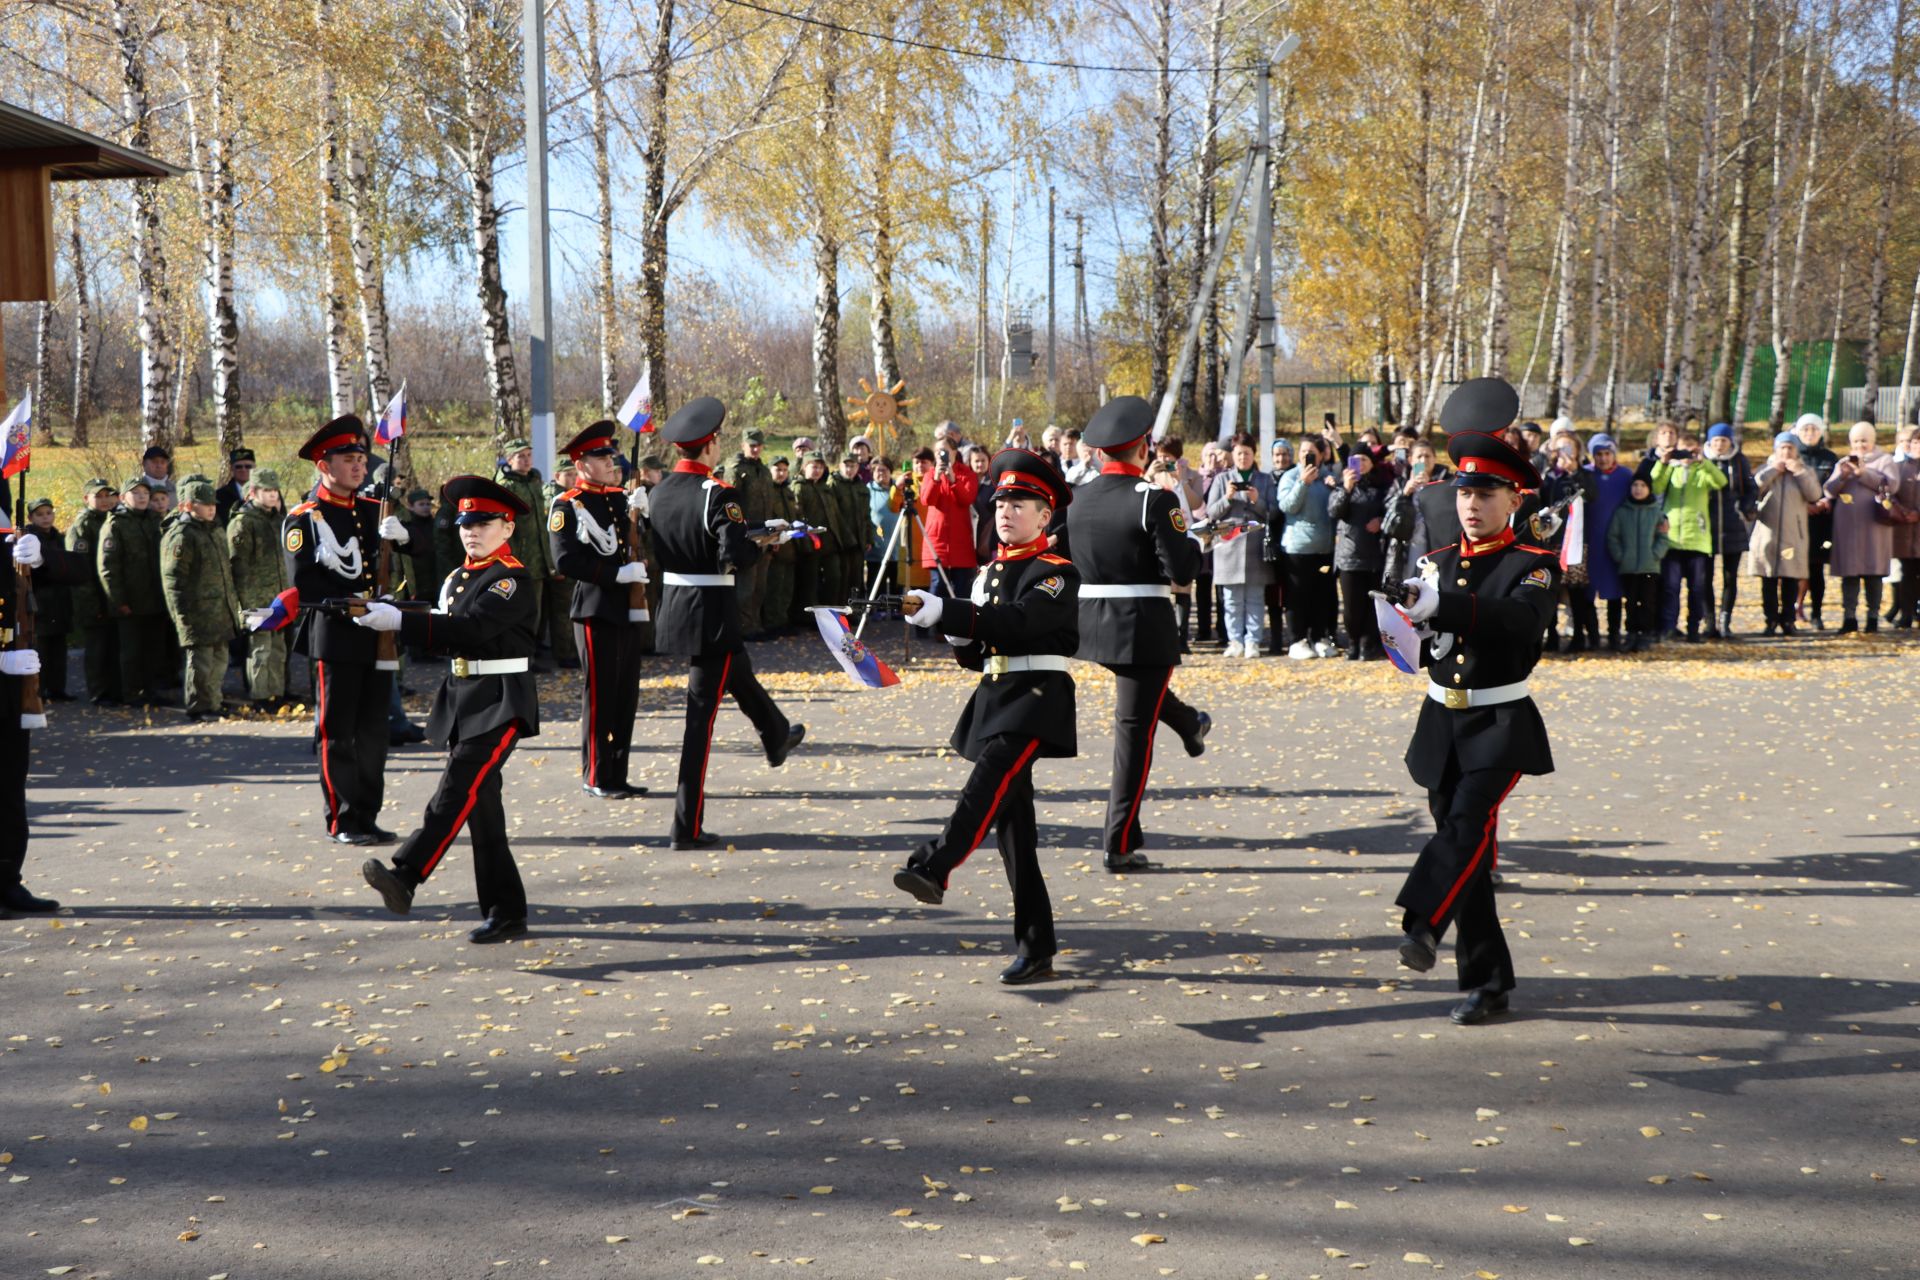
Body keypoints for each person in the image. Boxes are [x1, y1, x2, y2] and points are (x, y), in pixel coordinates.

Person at [1391, 387, 1559, 1025]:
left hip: (1499, 724)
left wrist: (1444, 611)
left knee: (1464, 828)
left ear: (1515, 500)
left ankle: (1421, 922)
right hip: (1441, 721)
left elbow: (1518, 623)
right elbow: (1417, 648)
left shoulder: (1533, 565)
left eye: (1486, 494)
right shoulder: (1434, 561)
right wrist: (1407, 631)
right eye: (1464, 493)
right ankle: (1490, 983)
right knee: (1464, 857)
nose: (1471, 505)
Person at [892, 448, 1079, 985]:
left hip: (1035, 700)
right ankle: (1036, 944)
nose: (1005, 511)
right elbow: (979, 652)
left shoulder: (1057, 572)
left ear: (1045, 516)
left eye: (1020, 503)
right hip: (998, 696)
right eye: (1000, 503)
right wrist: (955, 633)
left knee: (987, 782)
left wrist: (953, 612)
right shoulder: (990, 572)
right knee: (1015, 830)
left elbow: (1020, 622)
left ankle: (934, 864)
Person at [356, 475, 542, 945]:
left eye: (482, 523)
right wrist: (391, 608)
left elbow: (471, 629)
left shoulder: (511, 579)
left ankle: (407, 874)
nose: (471, 532)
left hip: (500, 700)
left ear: (507, 528)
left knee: (457, 787)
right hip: (463, 698)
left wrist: (402, 621)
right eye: (465, 524)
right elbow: (441, 616)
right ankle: (507, 912)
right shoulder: (461, 576)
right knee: (482, 810)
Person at [653, 397, 806, 850]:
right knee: (698, 726)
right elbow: (731, 554)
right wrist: (762, 542)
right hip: (712, 614)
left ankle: (776, 733)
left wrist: (749, 529)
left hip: (679, 606)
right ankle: (686, 825)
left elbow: (689, 539)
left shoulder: (661, 491)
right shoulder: (718, 493)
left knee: (739, 672)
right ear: (711, 445)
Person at [1067, 397, 1211, 872]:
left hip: (1091, 625)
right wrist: (1196, 541)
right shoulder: (1154, 498)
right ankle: (1118, 841)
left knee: (1143, 700)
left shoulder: (1078, 498)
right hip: (1141, 628)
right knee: (1134, 734)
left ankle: (1190, 723)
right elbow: (1181, 571)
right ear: (1142, 447)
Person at [285, 414, 404, 845]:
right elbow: (306, 585)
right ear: (323, 466)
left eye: (361, 458)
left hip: (378, 636)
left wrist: (407, 538)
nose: (359, 467)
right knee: (337, 732)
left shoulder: (377, 511)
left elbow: (418, 555)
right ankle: (342, 819)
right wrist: (361, 604)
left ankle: (367, 815)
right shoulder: (305, 518)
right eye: (349, 459)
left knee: (374, 732)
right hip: (336, 637)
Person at [548, 420, 651, 800]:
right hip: (595, 608)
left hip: (629, 608)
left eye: (611, 454)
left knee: (626, 696)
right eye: (601, 456)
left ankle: (617, 773)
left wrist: (645, 515)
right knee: (600, 695)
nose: (611, 461)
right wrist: (615, 574)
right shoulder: (568, 504)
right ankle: (595, 773)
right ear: (581, 463)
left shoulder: (621, 498)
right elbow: (565, 561)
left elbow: (638, 547)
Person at [0, 515, 80, 916]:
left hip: (11, 690)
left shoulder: (5, 534)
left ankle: (7, 882)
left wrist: (41, 559)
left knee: (10, 790)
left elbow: (78, 571)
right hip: (6, 669)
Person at [160, 481, 241, 721]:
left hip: (219, 609)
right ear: (186, 506)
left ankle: (213, 702)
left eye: (212, 504)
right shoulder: (183, 535)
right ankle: (199, 706)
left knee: (219, 660)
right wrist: (182, 614)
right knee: (201, 662)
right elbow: (174, 578)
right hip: (196, 611)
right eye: (204, 504)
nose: (211, 509)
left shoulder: (215, 529)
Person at [97, 476, 172, 705]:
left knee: (154, 650)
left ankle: (151, 691)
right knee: (131, 652)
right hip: (131, 600)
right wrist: (118, 600)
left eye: (145, 494)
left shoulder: (155, 521)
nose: (141, 497)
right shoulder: (116, 524)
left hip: (155, 599)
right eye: (136, 493)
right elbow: (108, 567)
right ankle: (131, 693)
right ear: (123, 497)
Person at [494, 438, 567, 669]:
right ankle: (524, 659)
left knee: (539, 613)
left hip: (540, 559)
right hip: (521, 560)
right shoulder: (506, 486)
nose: (526, 460)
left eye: (528, 455)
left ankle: (533, 654)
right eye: (520, 456)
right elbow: (504, 528)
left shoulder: (534, 480)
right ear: (509, 459)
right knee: (524, 613)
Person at [1649, 433, 1726, 642]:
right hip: (1672, 539)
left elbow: (1720, 481)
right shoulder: (1671, 470)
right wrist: (1663, 463)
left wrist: (1703, 462)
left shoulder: (1701, 472)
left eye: (1690, 450)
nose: (1686, 454)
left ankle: (1694, 629)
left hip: (1697, 540)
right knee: (1670, 588)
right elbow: (1655, 485)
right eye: (1683, 449)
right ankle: (1669, 627)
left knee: (1697, 589)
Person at [1206, 433, 1277, 658]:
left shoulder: (1264, 480)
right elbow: (1211, 512)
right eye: (1239, 454)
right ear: (1232, 455)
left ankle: (1253, 641)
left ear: (1253, 455)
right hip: (1228, 544)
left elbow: (1274, 512)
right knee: (1231, 598)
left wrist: (1257, 500)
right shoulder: (1221, 479)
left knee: (1255, 596)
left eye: (1247, 453)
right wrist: (1227, 497)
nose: (1243, 458)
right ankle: (1234, 640)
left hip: (1256, 544)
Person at [1824, 421, 1898, 634]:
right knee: (1850, 574)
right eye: (1856, 441)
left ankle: (1872, 617)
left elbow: (1891, 486)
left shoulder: (1885, 461)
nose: (1860, 445)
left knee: (1873, 574)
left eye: (1864, 440)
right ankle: (1849, 617)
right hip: (1847, 528)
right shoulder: (1843, 463)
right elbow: (1828, 491)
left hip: (1875, 527)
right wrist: (1843, 475)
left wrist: (1862, 474)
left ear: (1873, 441)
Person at [228, 468, 290, 710]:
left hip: (279, 595)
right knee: (260, 650)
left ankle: (277, 692)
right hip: (256, 597)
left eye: (275, 490)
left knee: (278, 649)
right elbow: (237, 567)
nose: (273, 495)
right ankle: (260, 696)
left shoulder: (279, 521)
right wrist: (244, 603)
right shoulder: (243, 523)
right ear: (253, 492)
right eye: (267, 490)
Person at [1748, 431, 1820, 637]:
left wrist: (1799, 472)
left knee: (1790, 578)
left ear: (1796, 451)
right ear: (1776, 450)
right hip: (1767, 535)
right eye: (1783, 448)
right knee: (1768, 579)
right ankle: (1770, 620)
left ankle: (1788, 619)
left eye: (1790, 448)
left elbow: (1815, 494)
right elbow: (1754, 488)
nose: (1786, 452)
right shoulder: (1766, 468)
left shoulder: (1804, 470)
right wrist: (1773, 471)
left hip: (1792, 536)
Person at [1535, 433, 1598, 651]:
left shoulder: (1582, 474)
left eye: (1569, 448)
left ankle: (1579, 636)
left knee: (1576, 591)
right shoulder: (1548, 475)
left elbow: (1592, 495)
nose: (1563, 453)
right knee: (1549, 589)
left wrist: (1574, 472)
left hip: (1574, 543)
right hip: (1550, 540)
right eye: (1559, 448)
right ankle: (1551, 635)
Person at [1327, 449, 1390, 660]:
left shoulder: (1380, 488)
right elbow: (1334, 512)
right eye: (1356, 460)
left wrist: (1381, 521)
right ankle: (1353, 642)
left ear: (1372, 463)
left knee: (1372, 605)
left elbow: (1391, 511)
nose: (1360, 464)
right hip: (1349, 556)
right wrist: (1346, 487)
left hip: (1374, 555)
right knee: (1352, 608)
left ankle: (1367, 644)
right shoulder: (1342, 486)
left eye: (1365, 459)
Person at [1277, 439, 1337, 658]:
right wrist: (1302, 483)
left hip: (1324, 548)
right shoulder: (1291, 476)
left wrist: (1334, 486)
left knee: (1321, 596)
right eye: (1302, 451)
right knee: (1297, 597)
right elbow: (1287, 506)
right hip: (1297, 547)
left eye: (1311, 452)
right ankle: (1297, 639)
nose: (1306, 455)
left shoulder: (1327, 478)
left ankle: (1319, 637)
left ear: (1321, 456)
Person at [66, 479, 120, 704]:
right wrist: (91, 605)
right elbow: (79, 570)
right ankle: (99, 691)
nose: (105, 500)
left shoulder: (112, 520)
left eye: (108, 495)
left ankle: (115, 689)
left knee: (113, 646)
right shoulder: (83, 525)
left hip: (110, 595)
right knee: (97, 648)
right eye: (99, 496)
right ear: (86, 499)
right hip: (93, 596)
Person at [1702, 423, 1757, 638]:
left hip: (1732, 524)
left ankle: (1725, 621)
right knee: (1705, 577)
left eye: (1723, 441)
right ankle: (1709, 622)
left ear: (1730, 442)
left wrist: (1743, 508)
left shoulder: (1738, 461)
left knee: (1730, 577)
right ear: (1709, 442)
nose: (1720, 445)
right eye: (1716, 441)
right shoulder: (1703, 460)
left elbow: (1751, 488)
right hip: (1707, 526)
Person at [1582, 434, 1636, 650]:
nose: (1603, 459)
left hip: (1615, 540)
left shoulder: (1624, 475)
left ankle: (1614, 635)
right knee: (1587, 590)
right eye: (1598, 454)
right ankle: (1593, 635)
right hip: (1590, 539)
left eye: (1607, 454)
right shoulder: (1586, 475)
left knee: (1615, 590)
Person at [1607, 475, 1670, 650]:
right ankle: (1631, 633)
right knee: (1631, 602)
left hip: (1649, 566)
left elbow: (1663, 537)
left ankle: (1646, 633)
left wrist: (1655, 554)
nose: (1638, 489)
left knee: (1648, 601)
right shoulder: (1622, 512)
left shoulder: (1656, 512)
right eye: (1635, 485)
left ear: (1649, 489)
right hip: (1628, 567)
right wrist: (1621, 556)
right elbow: (1613, 537)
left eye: (1642, 485)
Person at [1792, 413, 1841, 627]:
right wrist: (1805, 505)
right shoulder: (1793, 456)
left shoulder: (1830, 458)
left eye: (1814, 429)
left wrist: (1826, 501)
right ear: (1798, 432)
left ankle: (1817, 614)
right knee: (1793, 569)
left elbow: (1838, 486)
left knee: (1816, 569)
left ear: (1821, 432)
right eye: (1805, 429)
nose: (1810, 433)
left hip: (1821, 523)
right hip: (1795, 522)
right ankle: (1791, 610)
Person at [731, 427, 780, 638]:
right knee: (745, 587)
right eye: (752, 445)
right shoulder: (736, 470)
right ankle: (744, 627)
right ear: (743, 445)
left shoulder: (765, 471)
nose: (756, 449)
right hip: (746, 535)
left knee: (760, 585)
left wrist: (775, 535)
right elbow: (731, 504)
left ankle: (756, 624)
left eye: (758, 445)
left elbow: (771, 503)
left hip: (765, 534)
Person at [918, 438, 981, 599]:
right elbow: (926, 500)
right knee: (937, 587)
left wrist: (953, 479)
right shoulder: (930, 474)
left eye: (944, 450)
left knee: (961, 590)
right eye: (938, 451)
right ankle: (934, 624)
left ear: (954, 451)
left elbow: (967, 499)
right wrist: (936, 479)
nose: (941, 454)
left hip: (961, 544)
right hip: (936, 542)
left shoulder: (967, 473)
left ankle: (958, 624)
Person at [25, 499, 73, 701]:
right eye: (40, 514)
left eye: (48, 513)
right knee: (41, 649)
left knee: (58, 647)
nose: (45, 518)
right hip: (40, 600)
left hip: (60, 599)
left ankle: (57, 688)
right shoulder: (29, 538)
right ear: (31, 518)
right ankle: (39, 690)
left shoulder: (59, 538)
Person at [1887, 426, 1920, 628]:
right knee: (1907, 572)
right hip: (1905, 530)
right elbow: (1888, 493)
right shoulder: (1899, 468)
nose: (1917, 446)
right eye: (1915, 442)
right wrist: (1901, 511)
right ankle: (1906, 613)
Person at [829, 453, 871, 603]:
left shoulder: (861, 486)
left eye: (852, 466)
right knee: (842, 578)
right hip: (841, 541)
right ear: (840, 466)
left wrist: (868, 538)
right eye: (846, 466)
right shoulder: (833, 484)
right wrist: (844, 537)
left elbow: (866, 515)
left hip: (858, 541)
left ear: (857, 467)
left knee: (856, 578)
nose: (849, 469)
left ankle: (855, 610)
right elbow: (834, 515)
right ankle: (840, 611)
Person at [765, 455, 800, 630]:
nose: (782, 473)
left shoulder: (787, 491)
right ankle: (773, 622)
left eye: (785, 470)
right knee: (774, 586)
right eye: (778, 469)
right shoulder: (767, 491)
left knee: (787, 586)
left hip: (790, 544)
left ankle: (783, 619)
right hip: (774, 545)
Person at [867, 456, 904, 595]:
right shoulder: (868, 490)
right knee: (876, 581)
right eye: (877, 470)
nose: (881, 473)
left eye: (884, 470)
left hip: (897, 545)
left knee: (896, 581)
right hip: (876, 546)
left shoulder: (899, 490)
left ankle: (896, 610)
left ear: (891, 471)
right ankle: (877, 610)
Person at [215, 447, 255, 524]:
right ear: (231, 469)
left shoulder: (267, 492)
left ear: (255, 468)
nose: (243, 469)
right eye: (238, 467)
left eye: (248, 466)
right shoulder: (220, 496)